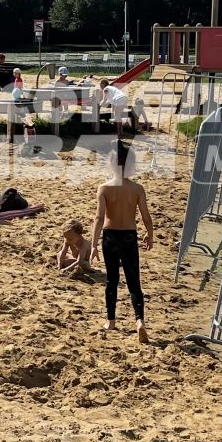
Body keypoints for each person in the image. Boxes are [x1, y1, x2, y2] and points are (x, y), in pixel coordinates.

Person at [91, 140, 154, 343]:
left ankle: (111, 321)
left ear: (110, 163)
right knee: (134, 282)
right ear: (132, 165)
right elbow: (145, 215)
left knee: (112, 281)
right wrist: (150, 234)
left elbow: (99, 218)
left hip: (110, 236)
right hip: (129, 235)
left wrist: (93, 244)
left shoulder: (104, 188)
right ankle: (139, 322)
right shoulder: (137, 189)